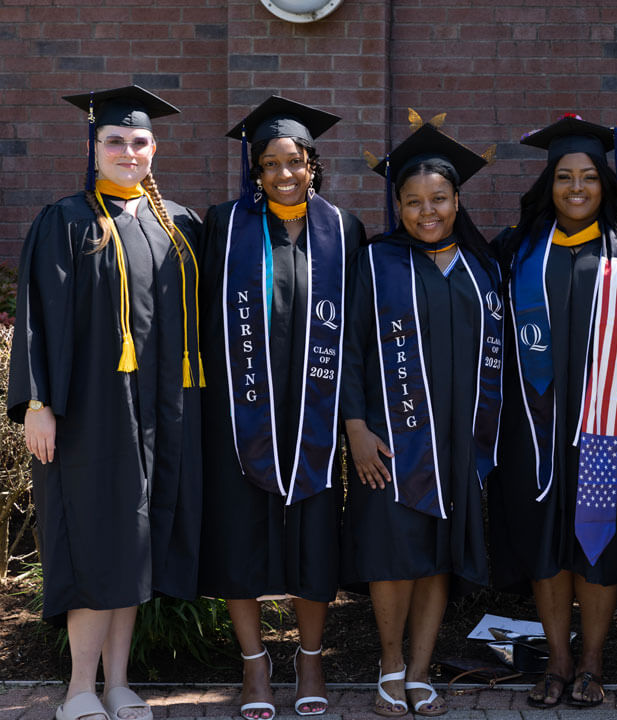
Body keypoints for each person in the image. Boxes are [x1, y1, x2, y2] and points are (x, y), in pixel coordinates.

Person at [8, 85, 203, 720]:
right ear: (92, 149)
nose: (127, 150)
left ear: (155, 148)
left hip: (158, 415)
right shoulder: (63, 220)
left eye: (138, 141)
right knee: (96, 545)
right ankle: (77, 693)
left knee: (134, 546)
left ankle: (118, 684)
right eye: (114, 141)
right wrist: (38, 402)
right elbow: (37, 316)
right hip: (90, 416)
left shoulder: (174, 226)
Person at [198, 96, 366, 720]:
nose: (284, 173)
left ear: (313, 164)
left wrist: (352, 416)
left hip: (315, 422)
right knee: (240, 540)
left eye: (294, 161)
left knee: (315, 543)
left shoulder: (343, 231)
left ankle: (311, 659)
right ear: (255, 170)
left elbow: (356, 332)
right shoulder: (225, 224)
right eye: (270, 163)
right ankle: (254, 669)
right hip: (241, 416)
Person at [488, 115, 617, 709]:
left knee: (597, 541)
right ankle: (557, 662)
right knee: (544, 539)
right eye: (564, 177)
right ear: (549, 183)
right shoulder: (516, 250)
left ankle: (592, 661)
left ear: (606, 183)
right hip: (534, 429)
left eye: (589, 176)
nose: (577, 188)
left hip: (608, 428)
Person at [341, 118, 502, 717]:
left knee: (438, 557)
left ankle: (421, 668)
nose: (427, 211)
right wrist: (355, 427)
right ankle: (388, 663)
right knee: (394, 555)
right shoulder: (377, 261)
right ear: (398, 206)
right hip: (392, 440)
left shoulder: (485, 270)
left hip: (458, 444)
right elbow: (350, 349)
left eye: (438, 199)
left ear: (458, 201)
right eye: (414, 202)